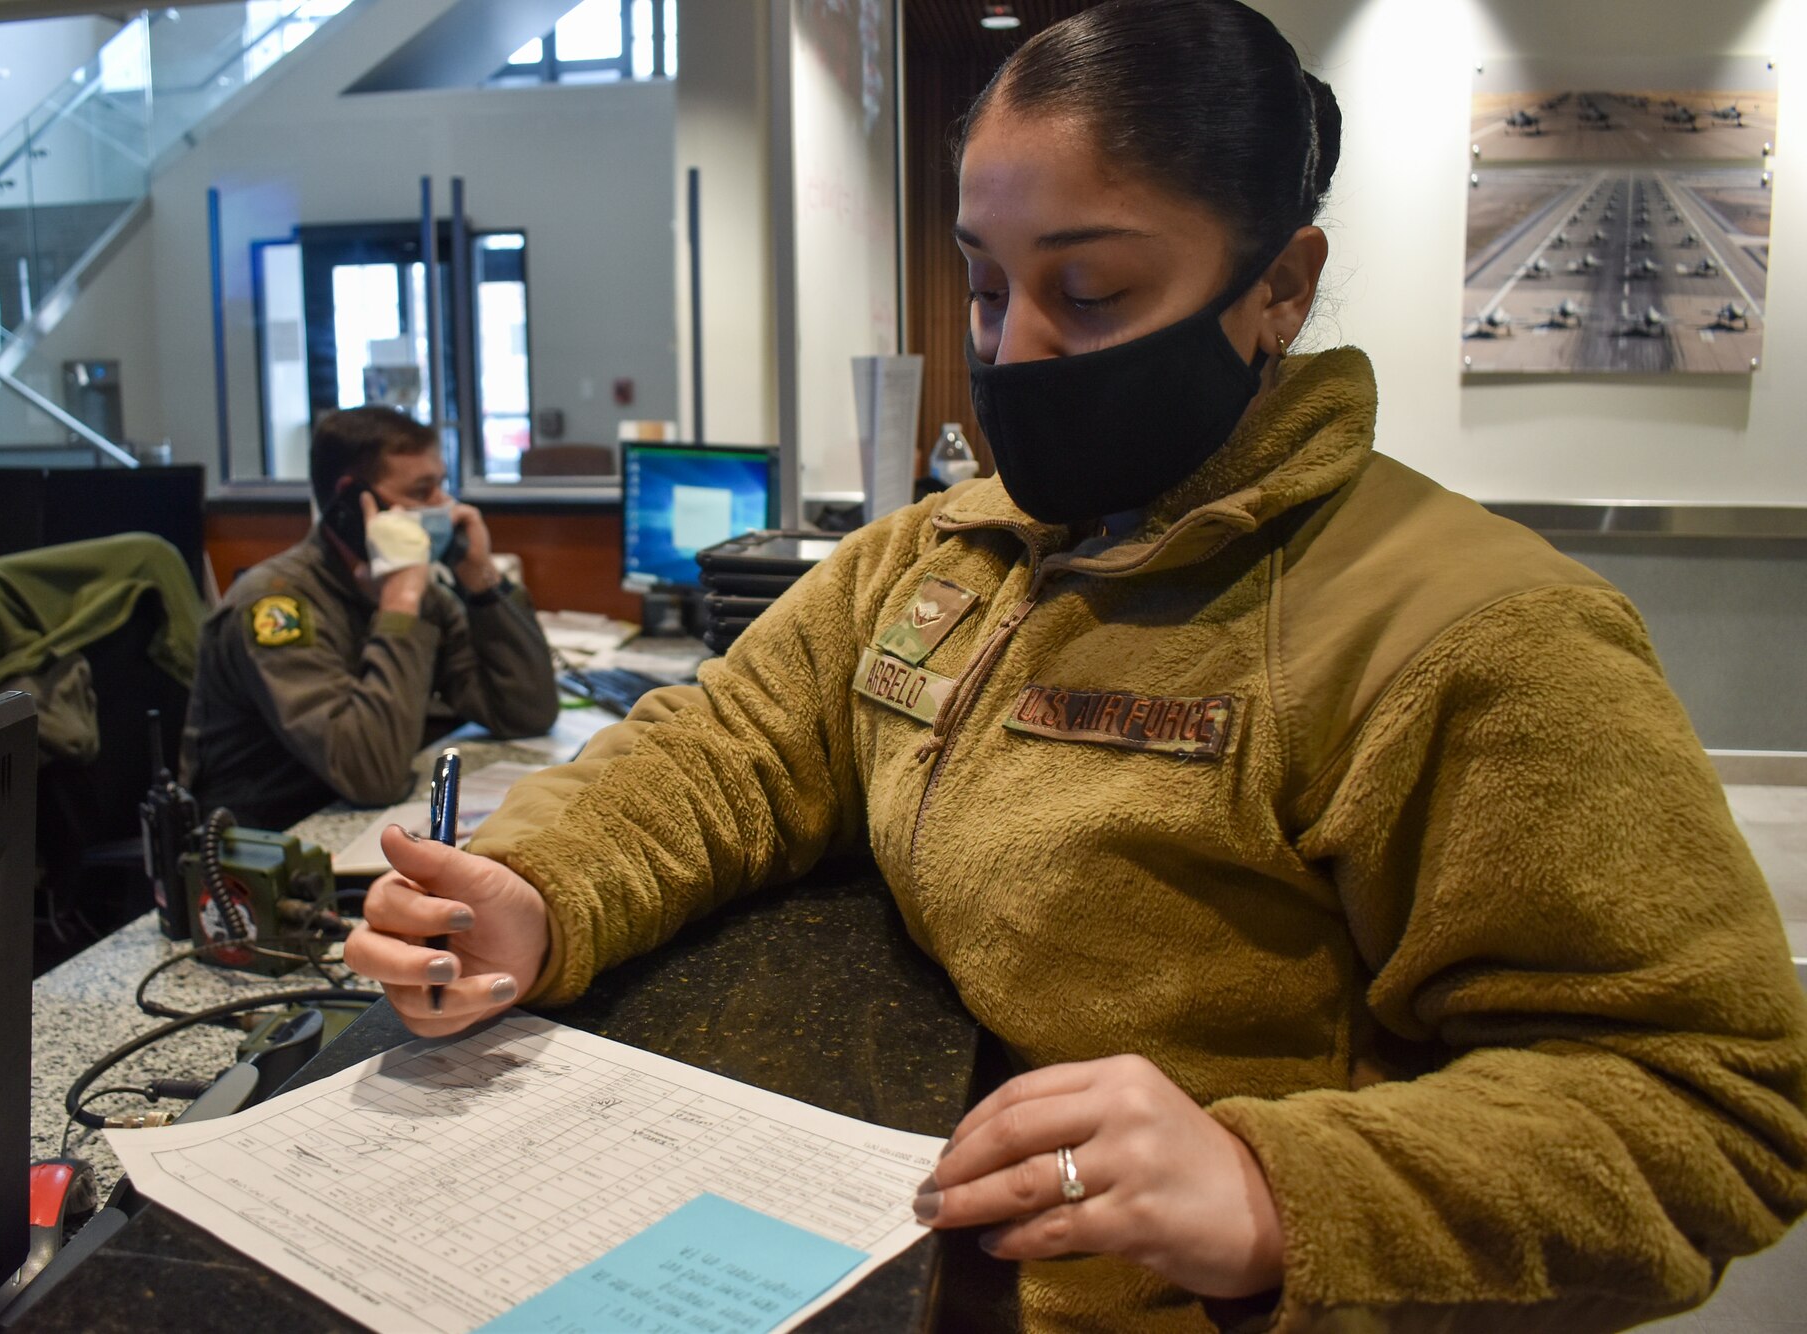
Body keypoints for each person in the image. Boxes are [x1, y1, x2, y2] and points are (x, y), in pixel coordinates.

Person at [345, 2, 1807, 1329]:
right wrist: (540, 887)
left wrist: (1273, 1187)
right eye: (986, 291)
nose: (1020, 352)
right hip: (881, 1237)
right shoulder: (948, 551)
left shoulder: (1477, 637)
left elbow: (1712, 1099)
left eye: (1092, 294)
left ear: (1279, 289)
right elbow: (733, 744)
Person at [180, 406, 558, 829]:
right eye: (421, 492)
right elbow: (371, 775)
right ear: (350, 500)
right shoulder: (278, 607)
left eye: (442, 486)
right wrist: (399, 606)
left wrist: (480, 578)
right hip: (270, 842)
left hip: (356, 823)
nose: (446, 508)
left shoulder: (422, 594)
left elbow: (526, 713)